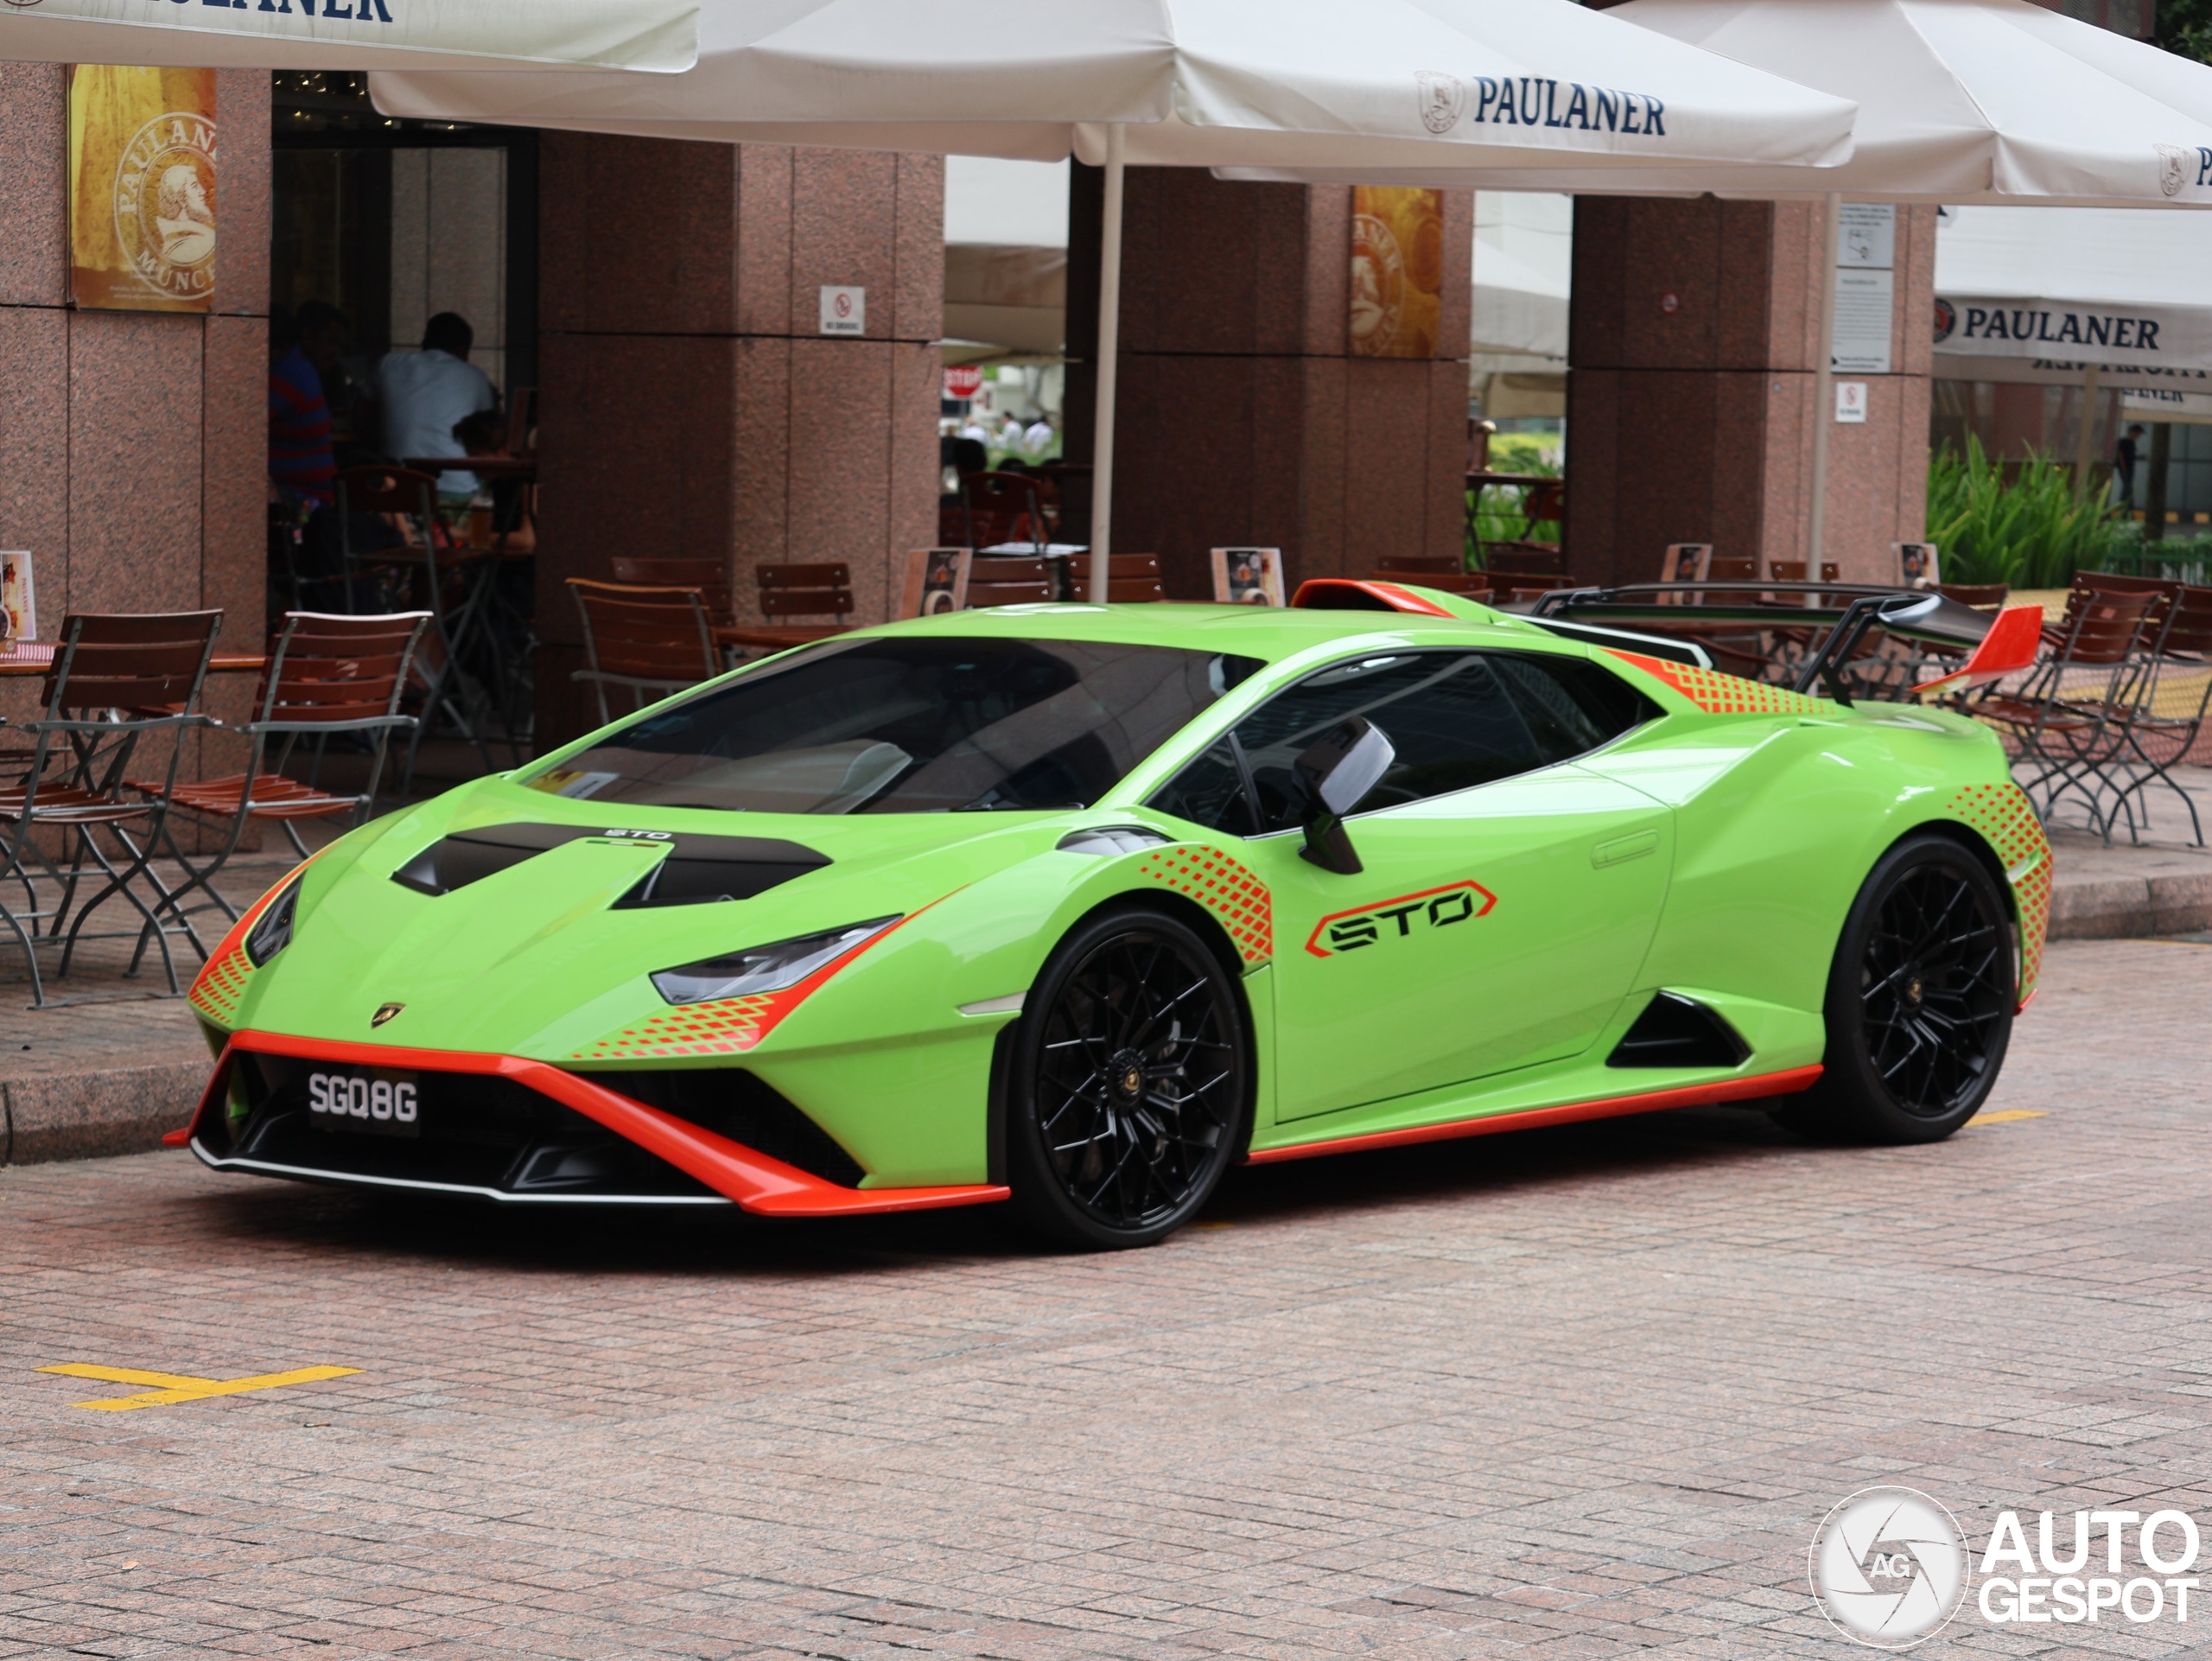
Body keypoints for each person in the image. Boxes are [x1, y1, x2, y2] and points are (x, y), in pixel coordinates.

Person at [377, 312, 496, 497]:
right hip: (455, 489)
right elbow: (487, 435)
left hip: (395, 489)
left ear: (425, 341)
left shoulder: (388, 364)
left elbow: (361, 418)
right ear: (462, 349)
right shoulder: (475, 376)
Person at [269, 301, 346, 507]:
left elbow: (236, 426)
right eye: (331, 341)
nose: (335, 352)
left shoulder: (290, 372)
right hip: (311, 496)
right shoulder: (295, 369)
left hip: (305, 501)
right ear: (307, 336)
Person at [2113, 423, 2145, 502]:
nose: (2138, 436)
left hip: (2130, 467)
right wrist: (2123, 467)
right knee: (2127, 487)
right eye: (2137, 433)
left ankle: (2124, 504)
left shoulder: (2132, 443)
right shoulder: (2124, 442)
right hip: (2125, 468)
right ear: (2133, 432)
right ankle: (2124, 505)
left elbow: (2133, 454)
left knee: (2127, 486)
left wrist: (2139, 456)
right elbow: (2120, 454)